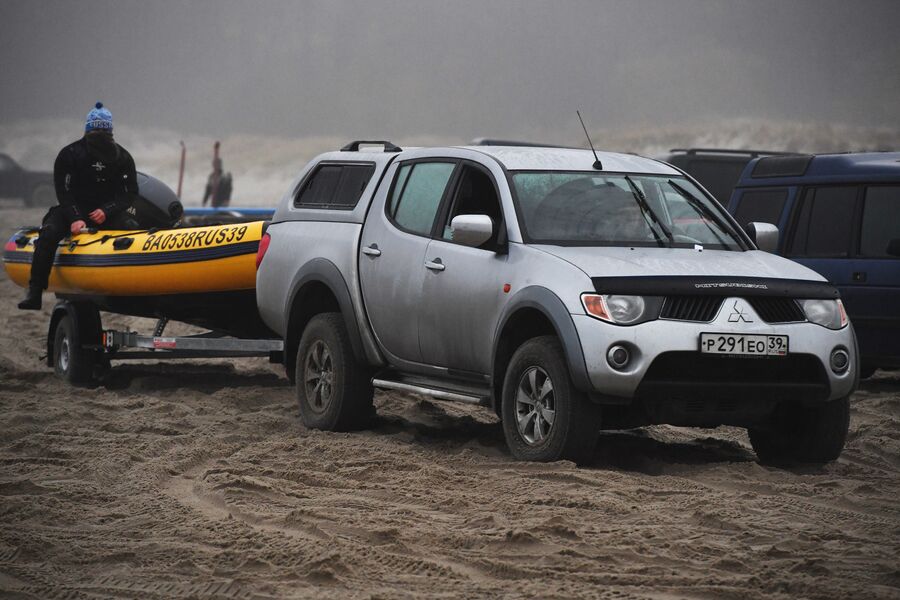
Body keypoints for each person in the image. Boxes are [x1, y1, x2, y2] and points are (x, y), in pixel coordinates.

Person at [18, 102, 139, 310]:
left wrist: (107, 210)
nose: (100, 134)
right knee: (48, 232)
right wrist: (75, 217)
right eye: (96, 130)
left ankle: (132, 288)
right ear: (88, 130)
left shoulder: (123, 158)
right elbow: (63, 192)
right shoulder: (70, 154)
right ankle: (35, 292)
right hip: (72, 208)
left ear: (110, 132)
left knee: (131, 226)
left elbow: (129, 194)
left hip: (106, 211)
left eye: (104, 131)